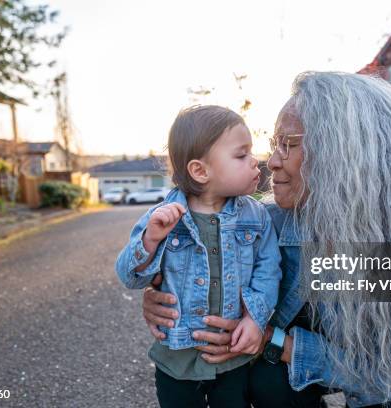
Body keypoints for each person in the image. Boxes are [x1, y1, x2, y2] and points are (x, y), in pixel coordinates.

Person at [142, 72, 391, 407]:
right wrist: (167, 297)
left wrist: (278, 342)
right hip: (313, 361)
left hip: (386, 389)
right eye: (275, 143)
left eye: (289, 144)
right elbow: (187, 256)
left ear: (343, 156)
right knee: (267, 379)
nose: (272, 161)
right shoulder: (264, 225)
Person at [115, 105, 281, 408]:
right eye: (241, 155)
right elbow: (130, 276)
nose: (256, 162)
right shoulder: (162, 218)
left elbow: (268, 271)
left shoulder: (256, 217)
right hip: (176, 358)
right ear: (200, 171)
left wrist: (256, 320)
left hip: (232, 358)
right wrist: (150, 240)